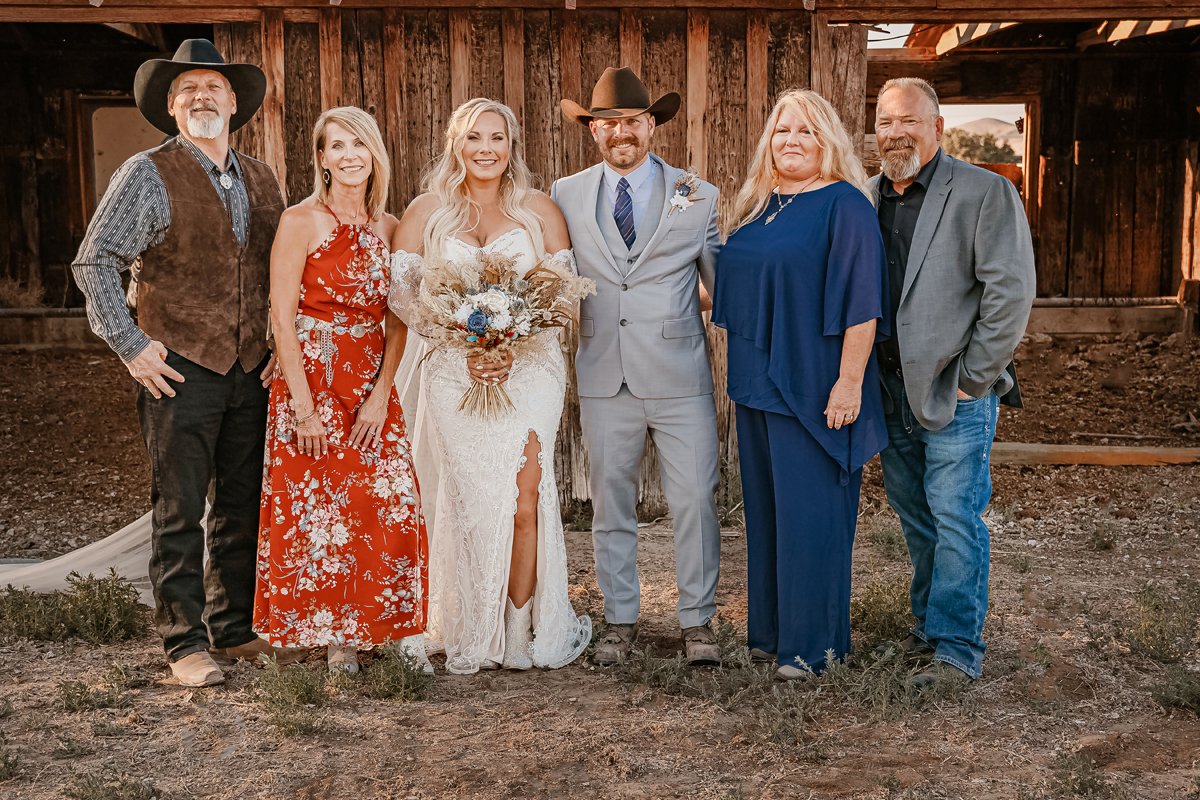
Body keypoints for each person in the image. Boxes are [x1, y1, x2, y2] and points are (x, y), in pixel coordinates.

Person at [70, 40, 288, 687]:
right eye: (188, 89)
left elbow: (278, 273)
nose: (202, 97)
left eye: (213, 88)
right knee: (180, 508)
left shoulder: (261, 176)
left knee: (241, 506)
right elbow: (95, 259)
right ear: (170, 106)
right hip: (182, 367)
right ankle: (184, 641)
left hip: (250, 369)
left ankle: (233, 627)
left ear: (234, 104)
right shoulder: (147, 171)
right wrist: (131, 345)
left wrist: (279, 346)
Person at [389, 98, 591, 675]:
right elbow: (401, 293)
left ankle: (519, 627)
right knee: (469, 499)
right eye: (474, 137)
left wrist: (509, 344)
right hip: (453, 372)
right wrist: (458, 339)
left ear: (512, 146)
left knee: (525, 496)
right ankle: (468, 622)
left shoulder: (539, 211)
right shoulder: (427, 211)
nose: (485, 148)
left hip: (530, 372)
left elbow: (559, 294)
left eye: (496, 138)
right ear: (456, 143)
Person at [712, 90, 888, 679]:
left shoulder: (846, 205)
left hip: (815, 387)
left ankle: (812, 649)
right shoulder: (760, 207)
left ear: (828, 141)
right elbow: (733, 292)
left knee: (811, 518)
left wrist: (849, 383)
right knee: (767, 517)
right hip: (757, 387)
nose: (792, 140)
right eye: (783, 129)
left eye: (807, 132)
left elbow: (864, 303)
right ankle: (770, 635)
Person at [551, 67, 723, 667]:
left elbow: (720, 286)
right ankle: (620, 618)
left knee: (696, 499)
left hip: (679, 372)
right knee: (610, 503)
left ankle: (697, 621)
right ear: (592, 131)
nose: (620, 132)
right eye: (607, 123)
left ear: (652, 125)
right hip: (602, 372)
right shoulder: (565, 194)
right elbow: (552, 275)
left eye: (631, 121)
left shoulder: (698, 195)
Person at [870, 77, 1035, 688]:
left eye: (909, 121)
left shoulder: (984, 192)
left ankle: (958, 647)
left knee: (956, 514)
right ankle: (929, 625)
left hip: (956, 392)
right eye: (886, 122)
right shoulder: (864, 197)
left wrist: (974, 377)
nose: (895, 133)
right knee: (916, 515)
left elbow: (1011, 292)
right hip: (888, 391)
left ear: (937, 128)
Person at [253, 107, 429, 674]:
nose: (350, 154)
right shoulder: (300, 221)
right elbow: (281, 318)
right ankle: (332, 638)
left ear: (375, 154)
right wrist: (304, 411)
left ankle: (373, 623)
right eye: (338, 145)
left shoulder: (391, 226)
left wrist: (382, 394)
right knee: (317, 511)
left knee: (386, 502)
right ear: (322, 158)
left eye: (361, 144)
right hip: (311, 379)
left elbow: (398, 319)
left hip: (370, 381)